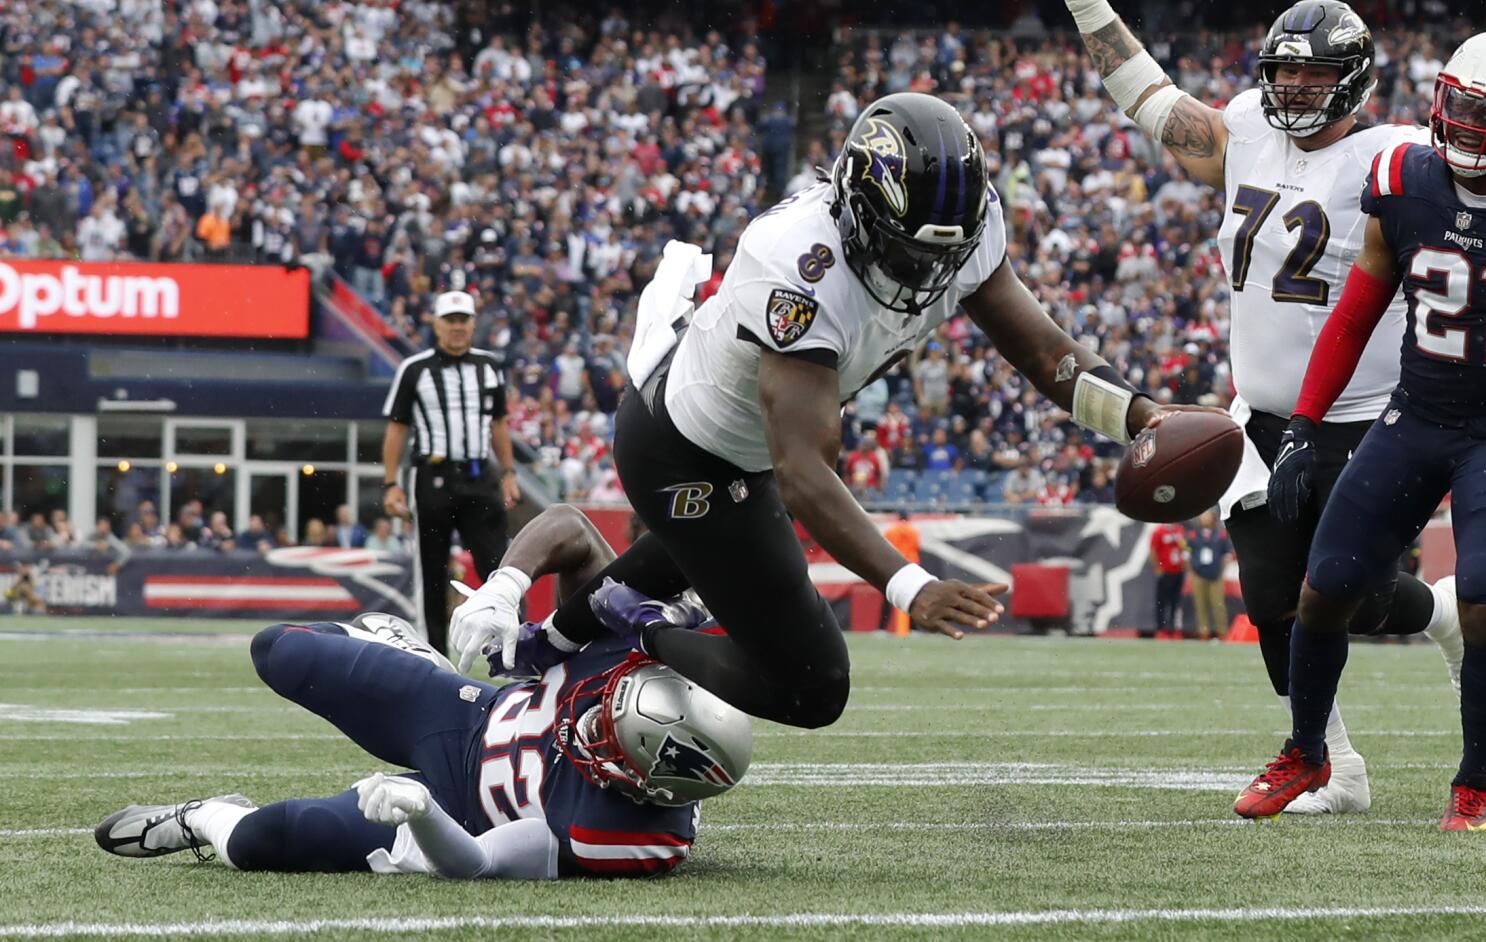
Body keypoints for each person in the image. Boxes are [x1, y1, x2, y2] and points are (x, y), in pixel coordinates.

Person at [450, 92, 1215, 730]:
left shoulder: (962, 229)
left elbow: (1046, 353)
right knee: (812, 688)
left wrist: (1141, 414)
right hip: (688, 456)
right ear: (856, 210)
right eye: (908, 249)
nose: (925, 272)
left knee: (703, 566)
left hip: (745, 450)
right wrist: (910, 586)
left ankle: (547, 643)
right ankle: (631, 636)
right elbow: (803, 471)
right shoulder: (798, 265)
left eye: (940, 254)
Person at [1047, 0, 1462, 813]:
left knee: (1353, 595)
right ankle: (1334, 765)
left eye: (1314, 74)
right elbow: (1149, 99)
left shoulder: (1399, 159)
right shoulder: (1245, 131)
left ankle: (1446, 614)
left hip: (1371, 415)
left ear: (1353, 80)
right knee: (1272, 596)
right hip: (1263, 414)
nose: (1296, 89)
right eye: (1284, 71)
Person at [94, 508, 752, 879]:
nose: (585, 727)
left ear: (645, 786)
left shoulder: (623, 838)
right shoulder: (633, 645)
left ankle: (199, 816)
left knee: (262, 843)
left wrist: (419, 813)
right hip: (467, 716)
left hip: (461, 810)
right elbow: (571, 527)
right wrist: (506, 585)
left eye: (604, 742)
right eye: (603, 714)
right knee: (277, 649)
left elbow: (480, 865)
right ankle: (410, 653)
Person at [1234, 36, 1486, 826]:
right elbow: (1356, 310)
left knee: (1481, 600)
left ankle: (1477, 779)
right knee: (1325, 586)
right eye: (1463, 108)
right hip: (1417, 413)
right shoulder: (1406, 178)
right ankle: (1309, 754)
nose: (1471, 129)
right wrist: (1304, 422)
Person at [382, 289, 521, 655]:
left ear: (473, 324)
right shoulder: (414, 369)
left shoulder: (489, 366)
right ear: (436, 324)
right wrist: (390, 483)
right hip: (432, 478)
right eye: (450, 321)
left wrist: (508, 472)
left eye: (463, 321)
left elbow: (499, 423)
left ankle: (511, 651)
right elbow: (396, 428)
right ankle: (434, 652)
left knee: (498, 568)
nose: (457, 328)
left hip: (480, 476)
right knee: (431, 570)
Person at [1187, 510, 1233, 641]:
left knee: (1218, 605)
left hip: (1215, 574)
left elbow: (1227, 555)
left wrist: (1221, 571)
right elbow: (1187, 555)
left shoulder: (1221, 535)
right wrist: (1192, 572)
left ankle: (1222, 632)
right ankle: (1204, 632)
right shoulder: (1193, 536)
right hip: (1199, 574)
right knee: (1201, 605)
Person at [881, 511, 922, 632]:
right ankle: (913, 628)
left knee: (888, 598)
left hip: (894, 566)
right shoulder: (913, 531)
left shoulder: (891, 530)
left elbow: (886, 548)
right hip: (910, 566)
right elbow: (916, 548)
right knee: (911, 597)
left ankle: (883, 627)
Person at [1149, 521, 1188, 639]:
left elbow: (1186, 549)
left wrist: (1185, 562)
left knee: (1175, 602)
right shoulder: (1159, 531)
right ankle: (1161, 629)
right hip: (1165, 571)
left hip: (1178, 571)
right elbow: (1153, 550)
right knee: (1161, 601)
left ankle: (1173, 629)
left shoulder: (1180, 530)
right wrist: (1157, 567)